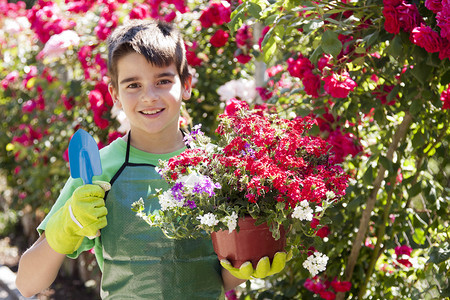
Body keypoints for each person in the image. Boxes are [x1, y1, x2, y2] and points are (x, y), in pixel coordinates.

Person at [15, 19, 289, 299]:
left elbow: (214, 278)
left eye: (163, 81)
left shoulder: (218, 168)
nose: (149, 96)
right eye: (133, 84)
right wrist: (67, 223)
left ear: (186, 85)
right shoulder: (100, 170)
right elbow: (27, 284)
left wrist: (248, 263)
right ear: (115, 95)